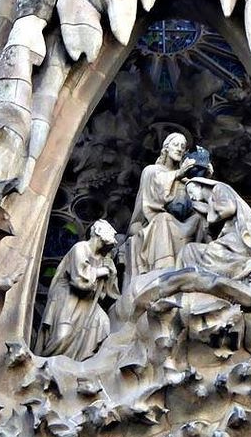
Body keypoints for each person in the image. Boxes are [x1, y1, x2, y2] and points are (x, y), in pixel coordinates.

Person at [35, 219, 119, 359]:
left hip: (89, 302)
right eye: (111, 231)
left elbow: (108, 292)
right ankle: (46, 366)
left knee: (103, 324)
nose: (114, 234)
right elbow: (79, 280)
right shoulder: (80, 248)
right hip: (68, 297)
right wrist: (100, 272)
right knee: (62, 336)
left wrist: (112, 273)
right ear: (98, 231)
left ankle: (81, 367)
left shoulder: (105, 260)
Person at [125, 133, 204, 277]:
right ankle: (164, 269)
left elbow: (192, 205)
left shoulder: (184, 178)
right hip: (154, 221)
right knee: (164, 218)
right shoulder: (152, 171)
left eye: (183, 146)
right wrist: (179, 174)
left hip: (181, 223)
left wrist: (204, 180)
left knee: (199, 219)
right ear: (166, 148)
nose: (179, 149)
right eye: (176, 145)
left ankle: (200, 268)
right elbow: (157, 197)